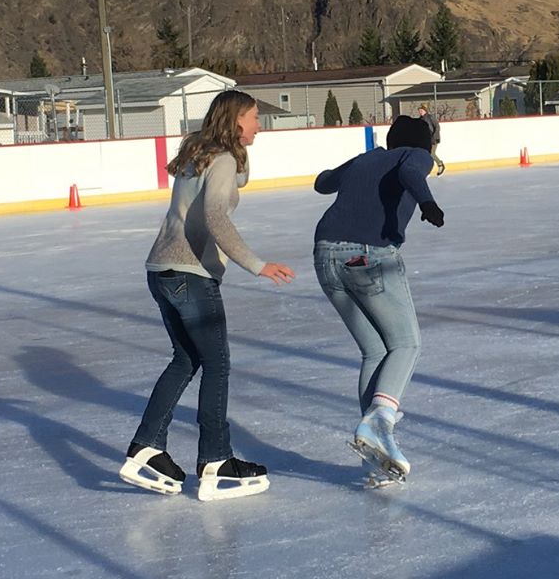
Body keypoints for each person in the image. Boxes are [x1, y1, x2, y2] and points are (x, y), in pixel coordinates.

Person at [119, 90, 296, 501]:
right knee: (217, 365)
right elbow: (216, 213)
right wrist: (257, 264)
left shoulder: (199, 155)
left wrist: (241, 157)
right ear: (235, 120)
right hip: (191, 275)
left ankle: (146, 447)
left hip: (161, 270)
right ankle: (216, 460)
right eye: (253, 118)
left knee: (186, 360)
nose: (258, 125)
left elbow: (233, 182)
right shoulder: (222, 160)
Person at [312, 116, 446, 485]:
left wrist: (356, 166)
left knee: (375, 351)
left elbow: (322, 183)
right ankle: (380, 422)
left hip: (326, 258)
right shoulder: (416, 156)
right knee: (406, 343)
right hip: (369, 257)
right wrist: (427, 203)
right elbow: (412, 174)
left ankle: (374, 458)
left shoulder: (366, 158)